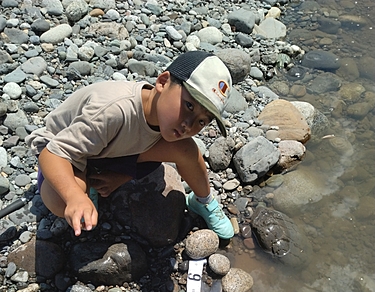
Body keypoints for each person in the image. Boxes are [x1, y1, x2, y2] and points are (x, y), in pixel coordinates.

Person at [26, 50, 235, 240]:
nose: (188, 124)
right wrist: (74, 196)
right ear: (162, 82)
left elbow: (162, 146)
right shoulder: (112, 112)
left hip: (111, 149)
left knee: (187, 150)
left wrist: (124, 176)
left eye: (202, 121)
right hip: (66, 154)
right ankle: (87, 184)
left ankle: (203, 202)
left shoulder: (163, 118)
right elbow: (52, 152)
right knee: (59, 200)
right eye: (189, 106)